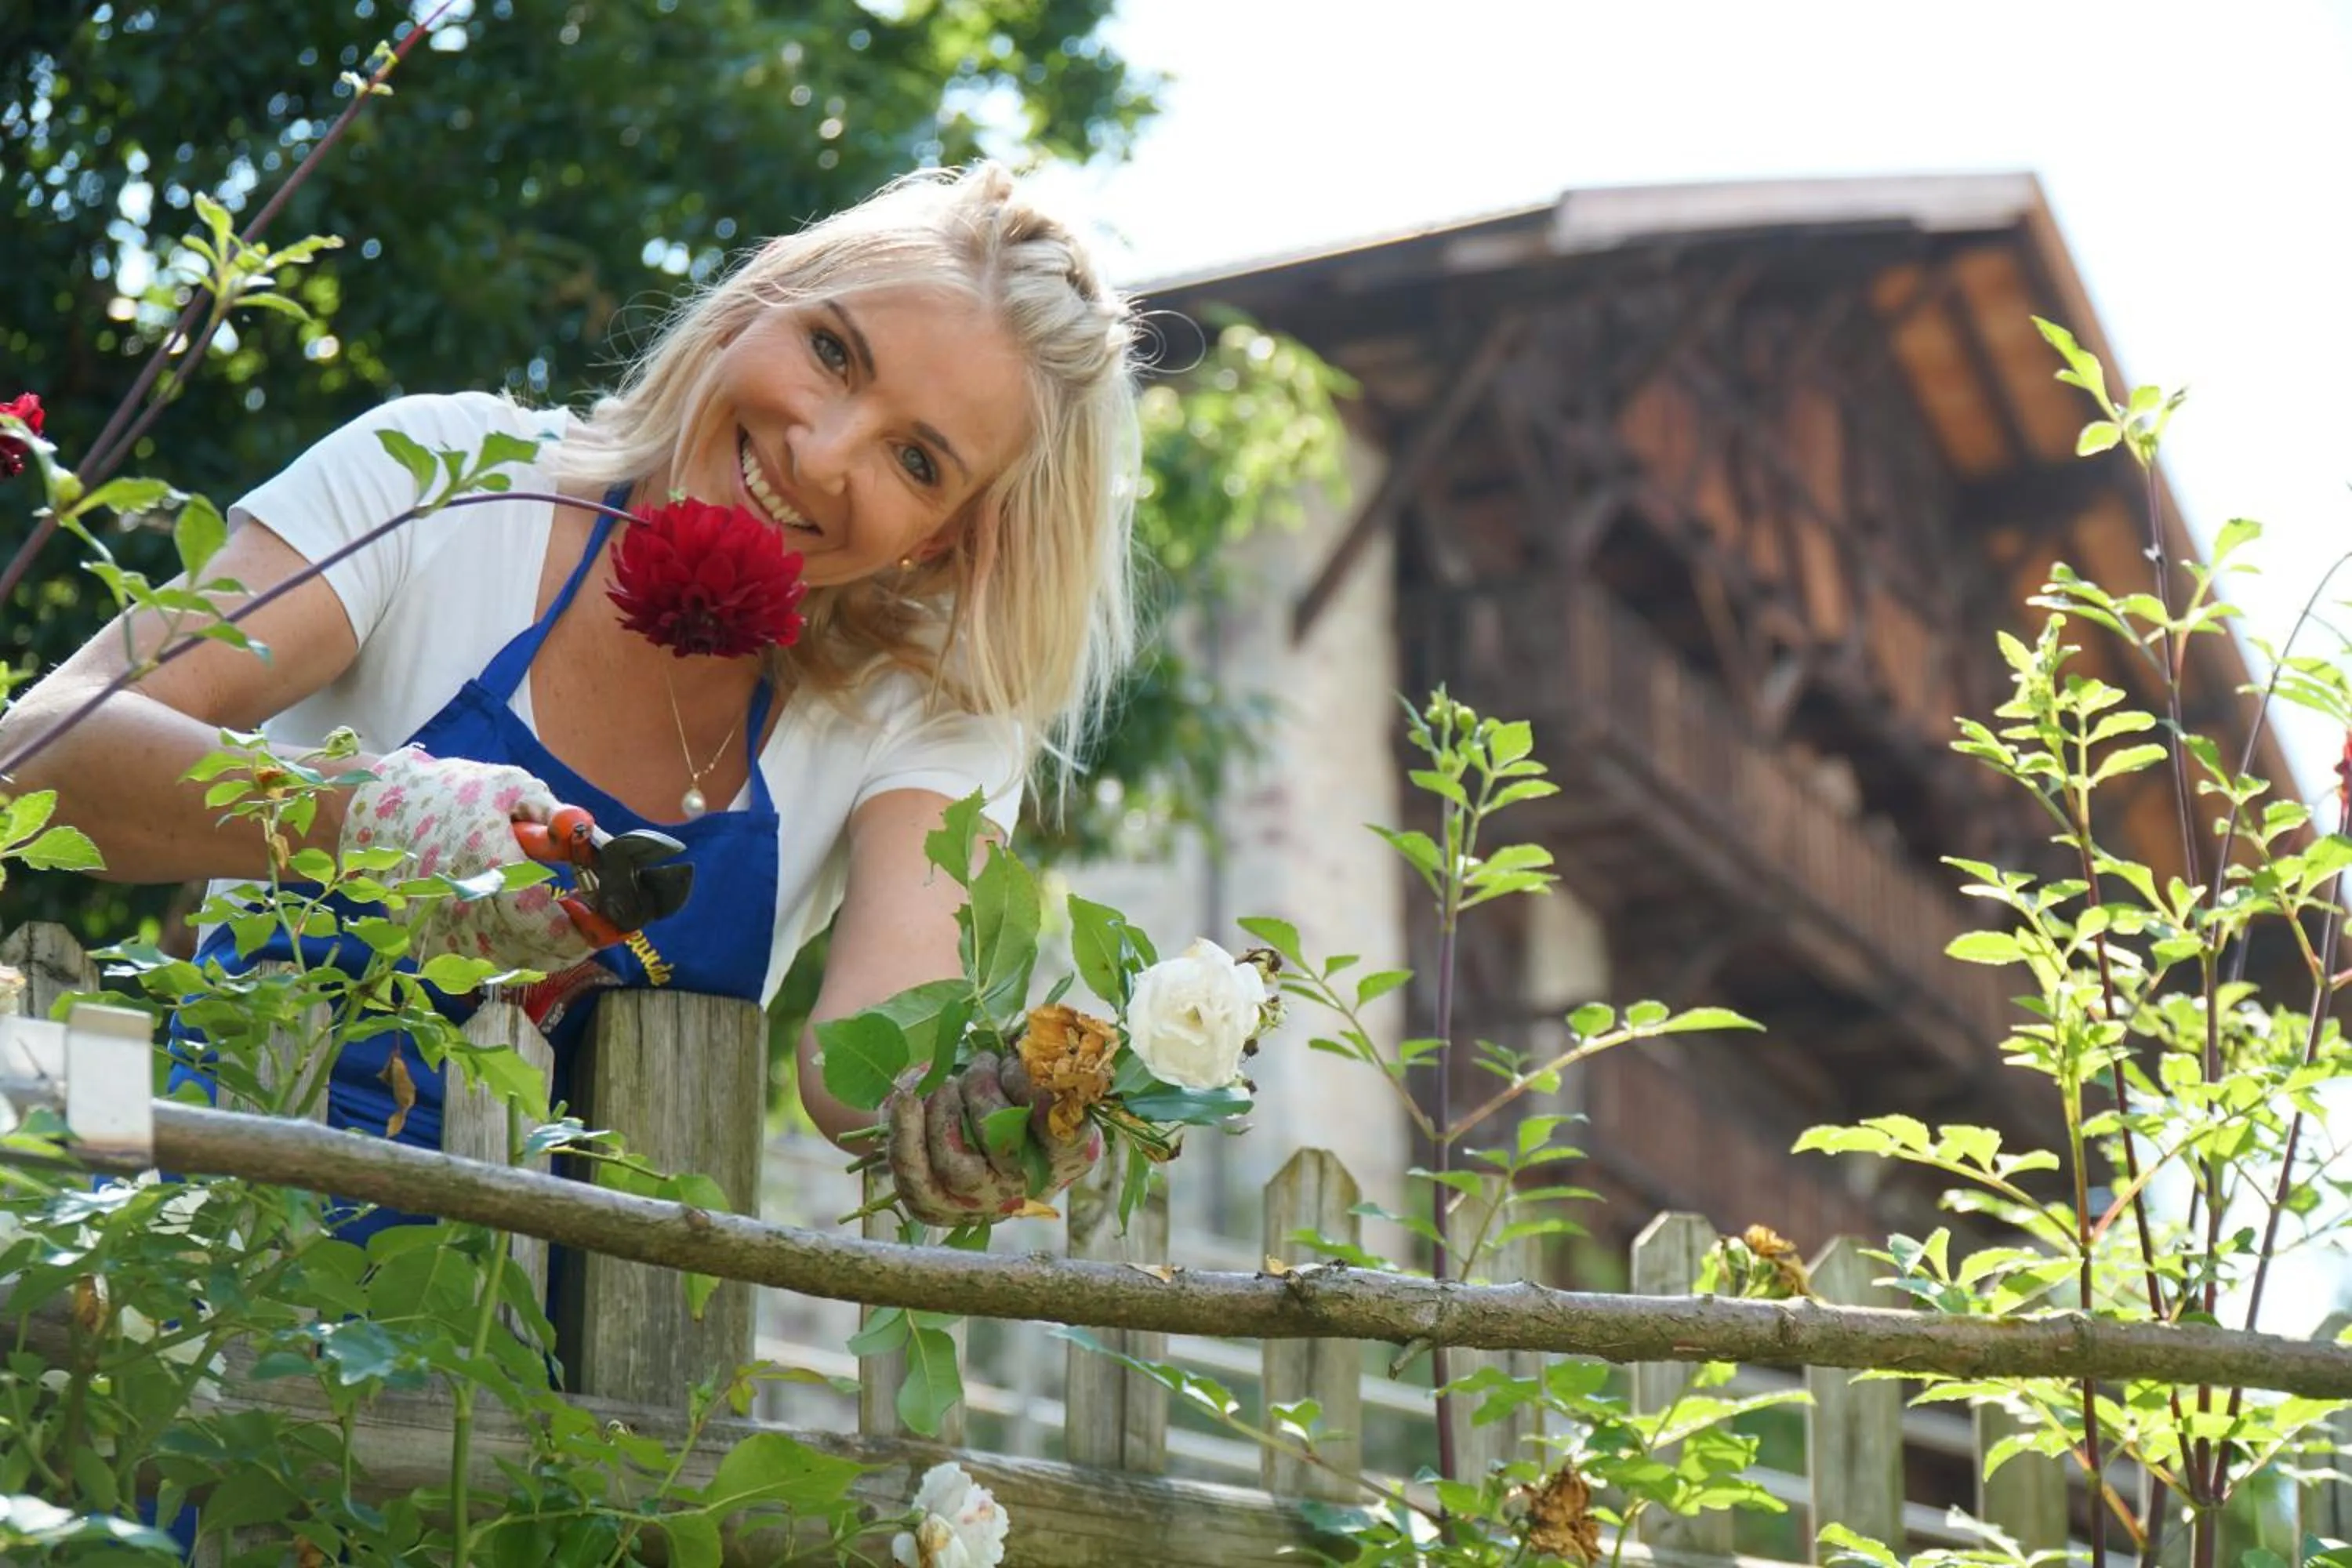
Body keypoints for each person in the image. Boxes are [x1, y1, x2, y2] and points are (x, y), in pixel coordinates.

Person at [2, 162, 1136, 1229]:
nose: (823, 452)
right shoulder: (446, 482)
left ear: (948, 545)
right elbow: (38, 754)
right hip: (196, 1269)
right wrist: (379, 819)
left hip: (583, 1385)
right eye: (834, 352)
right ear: (758, 302)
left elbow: (876, 1068)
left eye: (918, 462)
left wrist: (1003, 1112)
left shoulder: (923, 710)